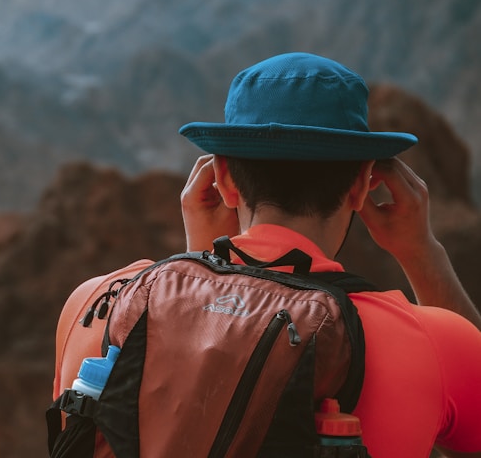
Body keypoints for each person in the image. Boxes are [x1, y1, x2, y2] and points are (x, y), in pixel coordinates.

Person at [53, 52, 481, 458]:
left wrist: (201, 262)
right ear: (361, 186)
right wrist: (422, 253)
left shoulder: (96, 305)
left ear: (222, 179)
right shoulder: (431, 342)